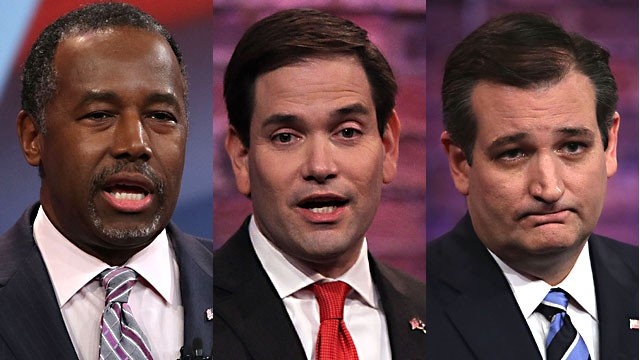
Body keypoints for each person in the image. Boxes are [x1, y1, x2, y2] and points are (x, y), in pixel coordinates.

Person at [0, 3, 212, 359]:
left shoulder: (237, 287)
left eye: (161, 116)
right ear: (33, 137)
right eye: (100, 115)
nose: (136, 144)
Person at [214, 8, 426, 360]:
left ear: (388, 147)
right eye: (285, 137)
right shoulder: (189, 314)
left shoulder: (437, 315)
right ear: (241, 157)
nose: (320, 167)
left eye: (347, 132)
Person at [426, 12, 638, 360]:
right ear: (461, 164)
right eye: (513, 153)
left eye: (572, 147)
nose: (549, 188)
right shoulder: (412, 307)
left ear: (609, 145)